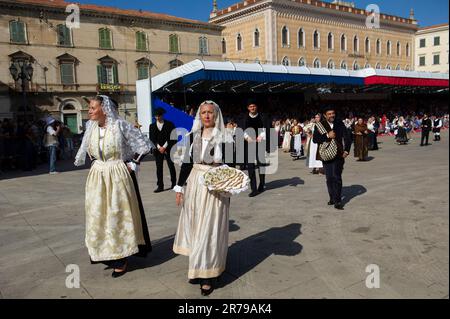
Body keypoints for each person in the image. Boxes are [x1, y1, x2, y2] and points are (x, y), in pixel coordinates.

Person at [74, 95, 153, 278]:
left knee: (117, 214)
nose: (90, 111)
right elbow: (88, 147)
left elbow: (144, 145)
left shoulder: (120, 125)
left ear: (104, 109)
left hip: (117, 174)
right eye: (90, 108)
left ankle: (121, 257)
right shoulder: (91, 127)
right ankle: (105, 252)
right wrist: (95, 162)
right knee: (98, 215)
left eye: (93, 108)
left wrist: (133, 163)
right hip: (98, 176)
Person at [173, 100, 230, 296]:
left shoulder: (224, 137)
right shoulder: (192, 136)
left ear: (216, 115)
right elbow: (187, 164)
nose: (207, 116)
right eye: (203, 112)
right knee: (197, 228)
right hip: (195, 186)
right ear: (200, 115)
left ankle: (208, 274)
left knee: (210, 229)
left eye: (210, 113)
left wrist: (227, 181)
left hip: (215, 188)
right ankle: (198, 267)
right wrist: (179, 188)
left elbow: (231, 165)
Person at [313, 106, 351, 210]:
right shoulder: (320, 125)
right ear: (325, 115)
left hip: (339, 154)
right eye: (329, 114)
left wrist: (347, 150)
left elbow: (347, 137)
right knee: (329, 178)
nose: (331, 115)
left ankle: (338, 201)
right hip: (326, 154)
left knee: (336, 177)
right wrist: (327, 136)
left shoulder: (340, 123)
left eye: (333, 113)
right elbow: (315, 139)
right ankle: (332, 197)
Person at [243, 103, 270, 197]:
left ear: (256, 107)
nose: (252, 108)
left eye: (254, 106)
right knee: (250, 167)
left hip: (260, 143)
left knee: (261, 165)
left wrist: (261, 136)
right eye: (250, 106)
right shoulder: (245, 118)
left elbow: (266, 128)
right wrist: (247, 137)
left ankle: (261, 184)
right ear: (248, 108)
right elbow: (242, 129)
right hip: (249, 143)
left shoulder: (262, 117)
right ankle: (254, 189)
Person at [149, 108, 177, 193]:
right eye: (156, 116)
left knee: (171, 166)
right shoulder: (152, 126)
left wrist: (164, 147)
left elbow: (173, 136)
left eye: (159, 115)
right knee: (159, 168)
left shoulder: (170, 124)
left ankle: (174, 184)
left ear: (162, 115)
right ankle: (160, 186)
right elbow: (152, 138)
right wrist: (159, 147)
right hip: (158, 150)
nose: (157, 117)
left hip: (168, 148)